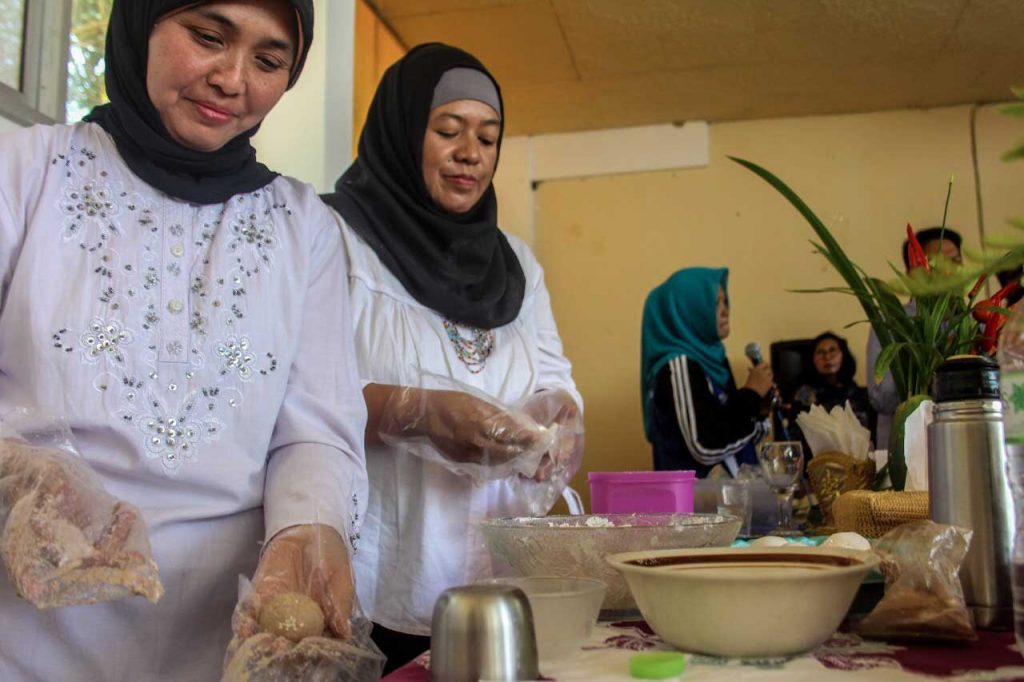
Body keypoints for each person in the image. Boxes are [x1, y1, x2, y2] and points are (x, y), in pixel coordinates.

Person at [0, 2, 369, 679]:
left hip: (221, 643)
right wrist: (12, 471)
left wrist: (308, 528)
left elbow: (317, 428)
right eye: (208, 37)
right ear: (142, 25)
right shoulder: (26, 172)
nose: (233, 79)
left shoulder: (304, 227)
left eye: (268, 60)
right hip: (23, 637)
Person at [321, 43, 583, 673]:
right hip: (369, 582)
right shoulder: (333, 239)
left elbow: (555, 379)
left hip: (494, 584)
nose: (471, 153)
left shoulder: (517, 264)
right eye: (448, 131)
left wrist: (554, 419)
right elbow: (287, 394)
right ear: (403, 134)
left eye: (488, 138)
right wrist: (413, 413)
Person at [641, 267, 772, 478]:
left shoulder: (713, 361)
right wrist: (751, 393)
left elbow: (735, 436)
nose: (724, 310)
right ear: (688, 310)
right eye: (714, 303)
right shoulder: (679, 365)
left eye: (724, 301)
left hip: (730, 499)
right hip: (697, 507)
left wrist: (761, 405)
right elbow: (705, 447)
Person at [866, 227, 962, 446]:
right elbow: (881, 398)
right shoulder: (892, 322)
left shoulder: (974, 323)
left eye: (956, 262)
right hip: (908, 451)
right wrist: (925, 366)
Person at [789, 331, 874, 433]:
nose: (827, 357)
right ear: (812, 359)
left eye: (832, 350)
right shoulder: (804, 397)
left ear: (843, 354)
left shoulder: (860, 396)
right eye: (820, 352)